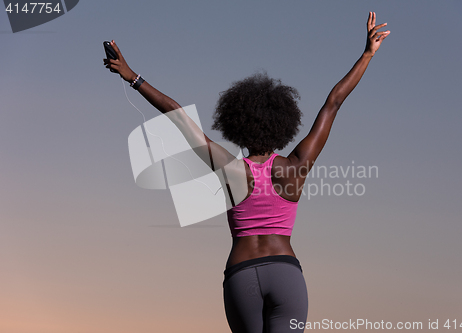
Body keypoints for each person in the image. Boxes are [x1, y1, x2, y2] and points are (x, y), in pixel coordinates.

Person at [104, 11, 390, 333]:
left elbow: (179, 117)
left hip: (241, 275)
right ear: (282, 125)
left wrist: (133, 77)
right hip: (285, 275)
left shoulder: (230, 168)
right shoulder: (295, 168)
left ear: (237, 126)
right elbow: (333, 102)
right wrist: (367, 54)